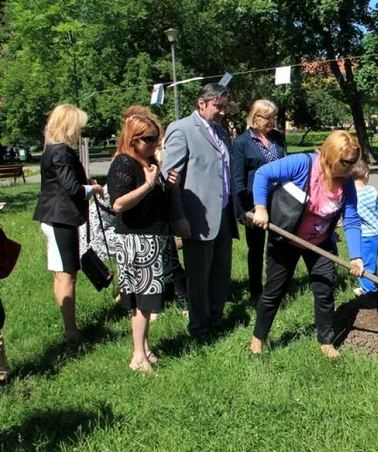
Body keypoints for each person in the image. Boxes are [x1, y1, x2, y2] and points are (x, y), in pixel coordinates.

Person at [249, 130, 364, 359]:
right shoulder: (302, 164)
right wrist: (260, 208)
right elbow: (263, 174)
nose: (349, 168)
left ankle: (326, 341)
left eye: (353, 163)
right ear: (331, 156)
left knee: (324, 291)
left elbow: (351, 218)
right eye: (346, 162)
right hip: (286, 238)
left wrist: (356, 256)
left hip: (320, 243)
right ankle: (257, 339)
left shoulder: (347, 182)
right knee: (274, 291)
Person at [162, 84, 239, 340]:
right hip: (197, 218)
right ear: (201, 103)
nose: (222, 112)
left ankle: (215, 319)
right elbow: (170, 179)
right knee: (198, 278)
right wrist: (179, 216)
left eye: (224, 107)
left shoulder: (221, 132)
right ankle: (199, 327)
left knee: (220, 273)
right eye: (218, 106)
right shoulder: (182, 129)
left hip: (224, 215)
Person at [107, 112, 180, 372]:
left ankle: (145, 348)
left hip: (153, 238)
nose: (154, 144)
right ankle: (138, 356)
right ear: (134, 139)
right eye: (149, 139)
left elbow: (155, 198)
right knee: (142, 301)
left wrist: (167, 185)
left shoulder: (148, 162)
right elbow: (118, 203)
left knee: (148, 300)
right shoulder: (124, 164)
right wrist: (149, 185)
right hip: (136, 240)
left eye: (156, 139)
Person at [33, 104, 104, 342]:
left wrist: (84, 182)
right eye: (79, 126)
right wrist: (92, 188)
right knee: (66, 274)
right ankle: (71, 331)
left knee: (60, 273)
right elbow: (71, 189)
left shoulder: (51, 149)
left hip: (52, 216)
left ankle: (69, 325)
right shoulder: (62, 151)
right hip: (61, 217)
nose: (81, 131)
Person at [232, 99, 286, 303]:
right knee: (255, 249)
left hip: (279, 201)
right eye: (267, 118)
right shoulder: (242, 143)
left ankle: (276, 287)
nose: (272, 122)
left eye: (274, 117)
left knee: (278, 247)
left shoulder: (278, 138)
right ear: (255, 117)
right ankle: (256, 291)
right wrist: (243, 209)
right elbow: (237, 178)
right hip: (253, 203)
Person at [351, 159, 378, 296]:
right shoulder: (372, 190)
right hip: (377, 231)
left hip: (364, 235)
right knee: (371, 259)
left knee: (365, 263)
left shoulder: (352, 195)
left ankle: (369, 291)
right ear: (366, 174)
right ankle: (369, 286)